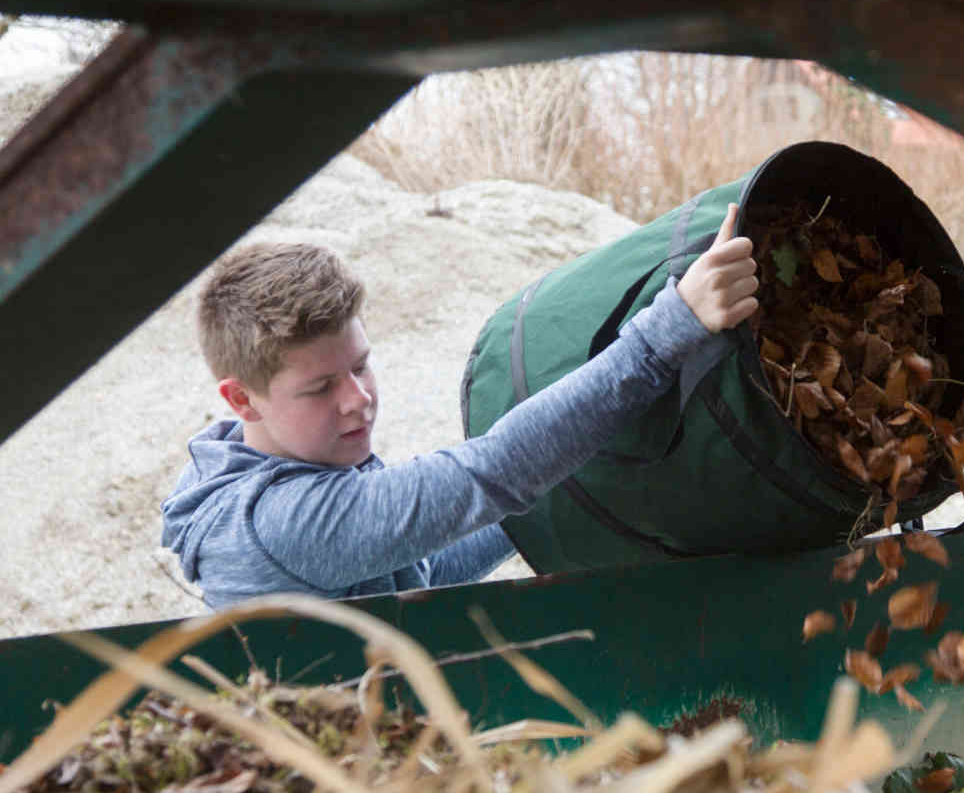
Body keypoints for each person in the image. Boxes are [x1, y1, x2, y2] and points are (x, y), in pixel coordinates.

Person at [160, 204, 759, 609]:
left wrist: (563, 468)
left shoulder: (293, 460)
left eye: (361, 364)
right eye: (320, 388)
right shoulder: (281, 525)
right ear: (242, 400)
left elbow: (425, 571)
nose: (358, 399)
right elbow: (489, 473)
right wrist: (666, 332)